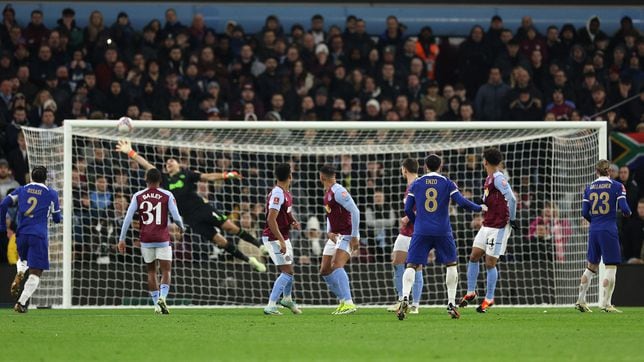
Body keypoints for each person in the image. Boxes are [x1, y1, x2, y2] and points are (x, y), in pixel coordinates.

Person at [116, 140, 266, 272]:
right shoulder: (165, 179)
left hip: (204, 209)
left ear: (178, 164)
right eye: (167, 162)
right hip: (191, 219)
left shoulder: (187, 174)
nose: (168, 163)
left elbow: (207, 177)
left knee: (231, 228)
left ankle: (260, 246)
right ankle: (249, 261)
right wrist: (130, 151)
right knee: (220, 241)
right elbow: (147, 165)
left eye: (172, 161)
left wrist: (225, 175)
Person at [397, 154, 485, 320]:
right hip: (443, 230)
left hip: (421, 230)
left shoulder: (416, 183)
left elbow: (408, 209)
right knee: (451, 265)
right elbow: (461, 202)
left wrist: (418, 223)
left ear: (425, 166)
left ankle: (405, 297)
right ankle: (451, 303)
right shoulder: (447, 183)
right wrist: (479, 208)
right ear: (440, 166)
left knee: (411, 265)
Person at [118, 168, 185, 314]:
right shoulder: (167, 194)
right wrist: (181, 226)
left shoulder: (138, 196)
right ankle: (163, 298)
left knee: (151, 271)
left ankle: (156, 305)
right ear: (160, 180)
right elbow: (175, 215)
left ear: (145, 179)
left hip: (146, 239)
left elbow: (128, 218)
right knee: (166, 270)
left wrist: (122, 239)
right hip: (162, 238)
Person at [460, 148, 518, 313]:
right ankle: (471, 292)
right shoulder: (489, 178)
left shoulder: (499, 178)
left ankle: (489, 297)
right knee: (474, 255)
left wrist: (512, 219)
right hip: (487, 224)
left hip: (499, 227)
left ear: (485, 161)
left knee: (490, 262)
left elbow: (512, 199)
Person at [0, 166, 61, 313]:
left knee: (23, 259)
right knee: (36, 272)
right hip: (38, 235)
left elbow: (3, 204)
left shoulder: (21, 189)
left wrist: (2, 226)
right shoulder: (51, 193)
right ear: (45, 178)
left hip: (21, 234)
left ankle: (20, 272)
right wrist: (57, 216)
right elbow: (57, 219)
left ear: (32, 177)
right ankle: (21, 303)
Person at [575, 160, 632, 313]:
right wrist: (628, 214)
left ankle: (581, 300)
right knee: (610, 266)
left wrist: (595, 222)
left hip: (594, 229)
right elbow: (624, 208)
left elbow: (584, 213)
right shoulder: (617, 186)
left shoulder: (589, 188)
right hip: (608, 228)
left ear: (596, 171)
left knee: (591, 266)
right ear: (610, 171)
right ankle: (606, 303)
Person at [319, 164, 360, 315]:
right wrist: (328, 231)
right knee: (324, 270)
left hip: (347, 233)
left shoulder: (339, 191)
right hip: (335, 235)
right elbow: (330, 215)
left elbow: (355, 211)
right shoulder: (328, 193)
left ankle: (348, 303)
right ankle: (343, 300)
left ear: (321, 177)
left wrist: (354, 236)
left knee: (336, 264)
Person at [262, 163, 302, 315]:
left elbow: (286, 212)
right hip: (273, 238)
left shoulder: (286, 192)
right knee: (287, 271)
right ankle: (271, 305)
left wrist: (292, 220)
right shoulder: (277, 193)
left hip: (283, 236)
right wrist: (281, 240)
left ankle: (287, 298)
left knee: (289, 268)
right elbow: (271, 219)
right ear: (290, 176)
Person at [388, 158, 424, 314]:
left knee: (416, 266)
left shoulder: (416, 185)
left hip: (415, 231)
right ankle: (403, 300)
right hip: (407, 232)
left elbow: (422, 207)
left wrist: (407, 218)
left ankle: (414, 304)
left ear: (404, 169)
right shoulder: (411, 185)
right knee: (397, 261)